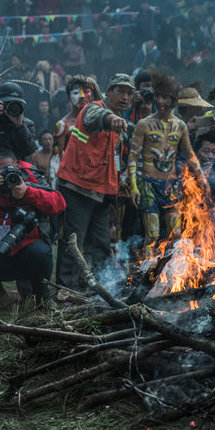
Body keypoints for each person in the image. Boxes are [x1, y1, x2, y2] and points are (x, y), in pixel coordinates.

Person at [54, 73, 134, 290]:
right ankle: (66, 293)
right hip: (77, 188)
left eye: (129, 93)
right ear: (108, 92)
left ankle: (100, 291)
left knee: (100, 245)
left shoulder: (119, 127)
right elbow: (97, 117)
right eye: (120, 91)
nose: (125, 97)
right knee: (74, 243)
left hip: (101, 192)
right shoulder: (94, 108)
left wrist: (117, 184)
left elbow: (108, 159)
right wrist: (112, 119)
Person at [0, 148, 66, 308]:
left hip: (28, 250)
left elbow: (59, 204)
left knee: (42, 253)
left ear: (17, 166)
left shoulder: (31, 178)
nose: (4, 175)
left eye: (8, 169)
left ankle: (42, 297)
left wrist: (27, 192)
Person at [128, 72, 206, 245]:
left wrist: (202, 178)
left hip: (170, 185)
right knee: (152, 236)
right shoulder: (144, 125)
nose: (160, 101)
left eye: (165, 97)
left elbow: (190, 154)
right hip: (148, 184)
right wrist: (134, 186)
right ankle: (147, 271)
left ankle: (170, 270)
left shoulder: (180, 126)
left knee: (176, 234)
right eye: (157, 96)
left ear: (173, 100)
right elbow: (133, 157)